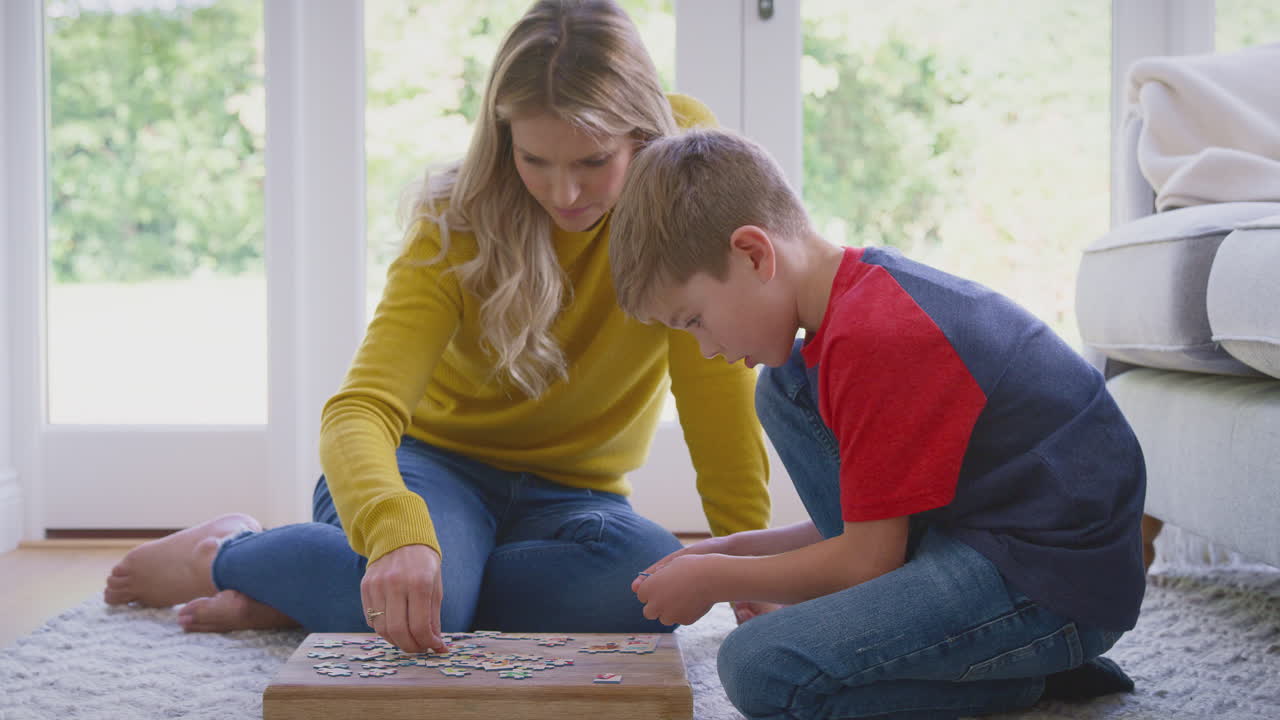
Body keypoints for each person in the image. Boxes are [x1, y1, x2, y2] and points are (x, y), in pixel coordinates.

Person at [103, 0, 770, 655]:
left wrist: (748, 565)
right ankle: (224, 554)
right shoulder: (459, 217)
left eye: (593, 162)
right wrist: (398, 530)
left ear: (642, 137)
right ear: (504, 136)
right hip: (429, 466)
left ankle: (337, 590)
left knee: (652, 589)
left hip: (574, 497)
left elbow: (716, 395)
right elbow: (358, 410)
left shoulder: (683, 182)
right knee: (436, 602)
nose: (563, 193)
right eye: (535, 160)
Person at [606, 128, 1147, 719]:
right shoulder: (844, 317)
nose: (705, 348)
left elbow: (868, 558)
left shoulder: (877, 337)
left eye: (696, 320)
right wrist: (728, 552)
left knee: (760, 668)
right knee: (785, 388)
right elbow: (869, 527)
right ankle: (969, 651)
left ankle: (1022, 678)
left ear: (754, 255)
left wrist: (714, 577)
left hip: (1053, 584)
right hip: (975, 535)